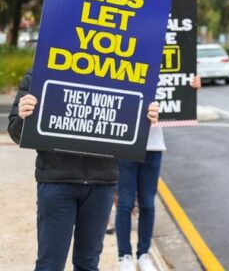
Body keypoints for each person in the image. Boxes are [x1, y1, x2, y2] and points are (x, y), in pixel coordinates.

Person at [8, 69, 160, 271]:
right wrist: (22, 116)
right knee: (50, 265)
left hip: (101, 183)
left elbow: (130, 131)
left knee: (88, 264)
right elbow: (16, 133)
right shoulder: (39, 75)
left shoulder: (123, 76)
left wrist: (146, 117)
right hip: (57, 181)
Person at [116, 75, 201, 271]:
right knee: (125, 203)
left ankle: (144, 254)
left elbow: (178, 98)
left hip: (153, 145)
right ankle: (124, 256)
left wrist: (191, 88)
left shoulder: (164, 72)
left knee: (147, 203)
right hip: (126, 143)